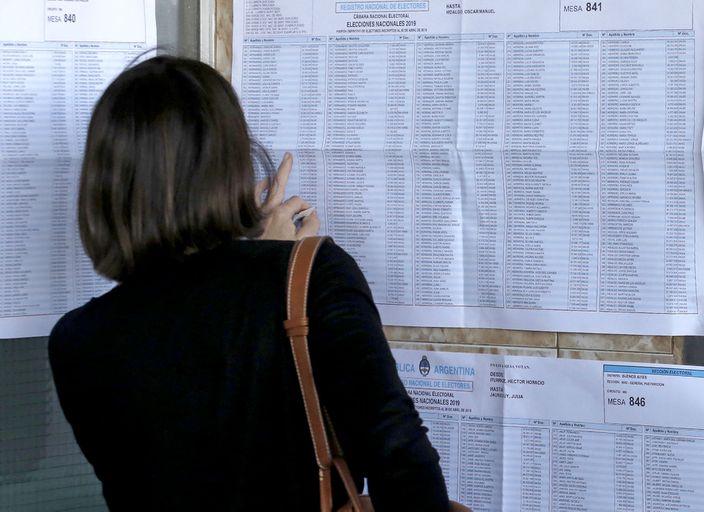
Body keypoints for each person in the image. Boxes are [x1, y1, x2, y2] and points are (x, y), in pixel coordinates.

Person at [48, 56, 449, 510]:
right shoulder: (315, 275)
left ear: (104, 185)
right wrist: (272, 262)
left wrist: (259, 258)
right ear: (230, 164)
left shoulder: (75, 341)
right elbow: (403, 463)